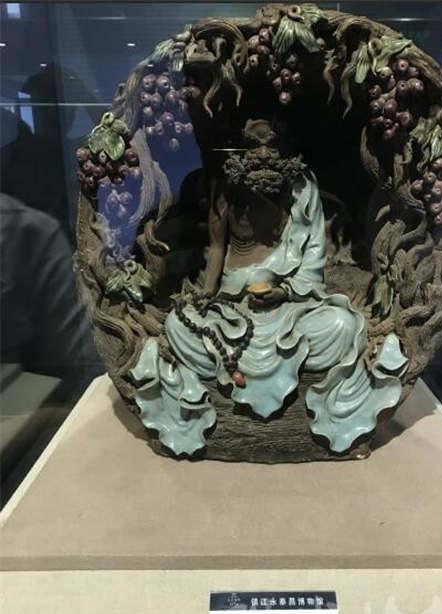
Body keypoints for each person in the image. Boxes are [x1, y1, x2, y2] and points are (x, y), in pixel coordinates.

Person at [131, 120, 407, 455]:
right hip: (232, 304)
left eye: (271, 145)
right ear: (241, 150)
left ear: (285, 150)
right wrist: (207, 291)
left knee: (343, 326)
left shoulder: (302, 190)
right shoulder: (225, 188)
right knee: (178, 326)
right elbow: (216, 248)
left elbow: (313, 258)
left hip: (291, 304)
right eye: (254, 145)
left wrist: (286, 291)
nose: (262, 154)